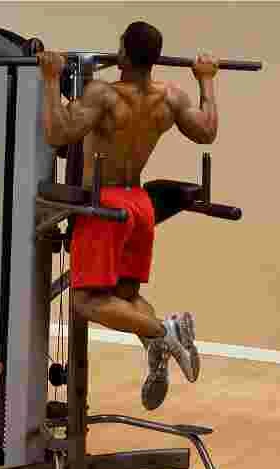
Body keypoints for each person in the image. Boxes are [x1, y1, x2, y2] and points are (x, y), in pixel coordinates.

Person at [37, 21, 219, 410]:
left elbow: (57, 134)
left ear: (122, 54)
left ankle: (163, 331)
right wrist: (206, 79)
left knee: (85, 302)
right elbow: (206, 131)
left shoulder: (104, 94)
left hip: (105, 205)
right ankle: (157, 349)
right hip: (139, 203)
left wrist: (51, 79)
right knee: (126, 296)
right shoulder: (170, 97)